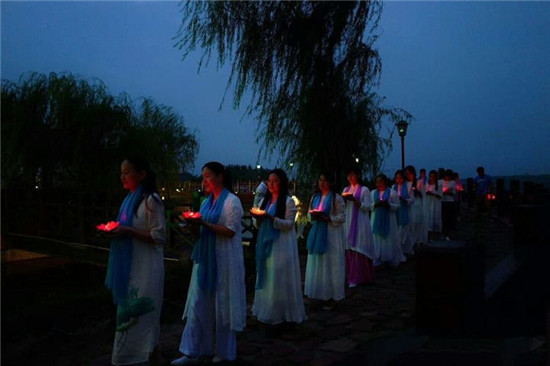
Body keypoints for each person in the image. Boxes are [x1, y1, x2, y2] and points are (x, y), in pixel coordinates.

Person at [172, 162, 246, 365]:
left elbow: (230, 231)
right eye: (202, 177)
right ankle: (193, 351)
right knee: (198, 304)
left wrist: (203, 223)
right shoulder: (206, 203)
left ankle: (224, 352)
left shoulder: (232, 201)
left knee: (223, 307)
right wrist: (192, 225)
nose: (203, 181)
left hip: (223, 260)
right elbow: (200, 232)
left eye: (207, 176)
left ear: (220, 177)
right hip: (204, 259)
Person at [104, 156, 166, 366]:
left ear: (141, 174)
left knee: (144, 314)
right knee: (128, 313)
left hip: (147, 267)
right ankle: (138, 355)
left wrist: (127, 230)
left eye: (127, 172)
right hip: (131, 265)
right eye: (121, 172)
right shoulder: (128, 200)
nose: (122, 176)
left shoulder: (151, 200)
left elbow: (159, 236)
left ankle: (143, 355)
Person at [250, 169, 306, 325]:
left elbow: (289, 224)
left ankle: (281, 312)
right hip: (265, 242)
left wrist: (271, 218)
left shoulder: (287, 202)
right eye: (269, 181)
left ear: (281, 183)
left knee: (278, 276)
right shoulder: (265, 201)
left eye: (274, 181)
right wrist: (258, 219)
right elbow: (257, 223)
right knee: (266, 274)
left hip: (281, 243)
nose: (271, 184)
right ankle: (266, 309)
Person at [304, 172, 346, 306]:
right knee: (317, 262)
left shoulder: (336, 198)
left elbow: (342, 217)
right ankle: (317, 293)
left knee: (330, 263)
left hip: (331, 234)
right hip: (317, 233)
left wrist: (329, 219)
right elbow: (309, 215)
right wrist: (313, 216)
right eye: (320, 179)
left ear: (331, 183)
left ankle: (331, 294)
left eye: (325, 180)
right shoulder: (314, 197)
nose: (322, 183)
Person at [342, 166, 375, 287]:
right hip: (349, 219)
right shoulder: (346, 189)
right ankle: (351, 275)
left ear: (358, 176)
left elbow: (369, 206)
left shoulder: (364, 190)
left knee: (359, 246)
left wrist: (355, 200)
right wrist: (345, 199)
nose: (350, 178)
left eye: (353, 175)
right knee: (349, 247)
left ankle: (361, 276)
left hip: (360, 220)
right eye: (348, 176)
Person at [370, 174, 404, 267]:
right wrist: (376, 204)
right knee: (376, 238)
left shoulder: (392, 193)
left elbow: (397, 206)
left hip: (389, 219)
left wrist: (388, 205)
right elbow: (369, 205)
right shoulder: (373, 193)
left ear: (385, 182)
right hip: (376, 219)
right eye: (377, 182)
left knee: (388, 238)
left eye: (381, 181)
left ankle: (388, 258)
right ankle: (377, 257)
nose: (379, 184)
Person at [393, 170, 415, 255]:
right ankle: (408, 250)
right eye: (397, 178)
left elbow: (412, 199)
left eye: (401, 178)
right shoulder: (393, 187)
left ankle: (400, 252)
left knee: (402, 231)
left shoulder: (408, 186)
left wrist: (405, 200)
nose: (399, 180)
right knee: (406, 233)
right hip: (396, 212)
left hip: (406, 211)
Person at [405, 165, 427, 246]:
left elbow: (423, 195)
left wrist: (416, 191)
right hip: (409, 205)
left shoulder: (419, 182)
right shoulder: (405, 183)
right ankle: (411, 240)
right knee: (410, 223)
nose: (408, 175)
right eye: (406, 174)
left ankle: (418, 239)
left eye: (409, 173)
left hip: (417, 204)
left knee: (417, 222)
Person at [424, 170, 443, 240]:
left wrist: (433, 194)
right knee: (429, 217)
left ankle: (437, 234)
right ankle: (429, 234)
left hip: (436, 204)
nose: (432, 178)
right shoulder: (426, 184)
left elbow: (440, 196)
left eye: (433, 176)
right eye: (431, 176)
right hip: (429, 203)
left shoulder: (439, 185)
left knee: (436, 217)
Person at [441, 169, 457, 240]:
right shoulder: (440, 182)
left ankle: (449, 232)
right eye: (447, 176)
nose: (448, 178)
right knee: (443, 217)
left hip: (450, 202)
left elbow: (454, 193)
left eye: (449, 176)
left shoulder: (453, 183)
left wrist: (447, 192)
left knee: (449, 218)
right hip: (442, 201)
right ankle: (443, 232)